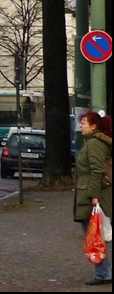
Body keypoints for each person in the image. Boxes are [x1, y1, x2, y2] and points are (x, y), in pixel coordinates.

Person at [75, 110, 112, 285]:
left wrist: (95, 196)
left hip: (92, 197)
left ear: (94, 126)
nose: (81, 126)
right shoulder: (91, 142)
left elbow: (98, 170)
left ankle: (103, 274)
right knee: (97, 235)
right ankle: (105, 272)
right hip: (89, 195)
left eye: (84, 123)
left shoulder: (95, 144)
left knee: (95, 235)